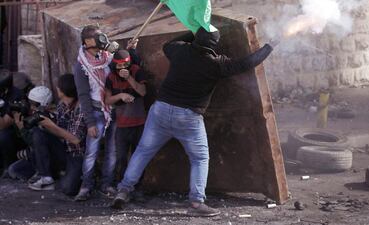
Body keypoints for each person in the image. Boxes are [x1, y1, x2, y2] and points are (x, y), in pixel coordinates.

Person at [112, 27, 275, 216]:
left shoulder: (180, 50)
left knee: (142, 151)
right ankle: (197, 203)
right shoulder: (216, 64)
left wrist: (195, 28)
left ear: (196, 39)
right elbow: (247, 63)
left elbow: (168, 45)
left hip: (161, 110)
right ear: (214, 45)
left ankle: (123, 191)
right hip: (188, 118)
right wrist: (269, 46)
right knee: (199, 159)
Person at [74, 24, 117, 201]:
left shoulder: (107, 58)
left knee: (112, 151)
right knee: (91, 151)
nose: (103, 40)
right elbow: (83, 96)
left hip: (113, 110)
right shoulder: (81, 66)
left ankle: (106, 185)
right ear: (88, 42)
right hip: (97, 112)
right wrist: (90, 123)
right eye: (98, 37)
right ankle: (86, 186)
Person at [27, 74, 86, 195]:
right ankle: (46, 177)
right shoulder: (61, 105)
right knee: (38, 132)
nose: (57, 89)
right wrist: (45, 122)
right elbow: (58, 131)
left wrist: (50, 125)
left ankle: (68, 174)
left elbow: (75, 140)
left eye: (58, 87)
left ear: (64, 90)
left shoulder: (81, 108)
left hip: (76, 154)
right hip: (63, 149)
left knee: (68, 189)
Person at [105, 45, 147, 183]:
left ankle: (138, 187)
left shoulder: (136, 71)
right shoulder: (111, 77)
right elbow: (107, 100)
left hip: (139, 122)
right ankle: (121, 185)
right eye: (120, 65)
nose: (124, 67)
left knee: (138, 156)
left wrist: (129, 78)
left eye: (127, 64)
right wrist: (121, 96)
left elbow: (142, 92)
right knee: (121, 157)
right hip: (122, 124)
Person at [0, 70, 25, 177]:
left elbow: (3, 125)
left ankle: (8, 164)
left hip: (15, 134)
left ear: (5, 90)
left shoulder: (17, 97)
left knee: (3, 135)